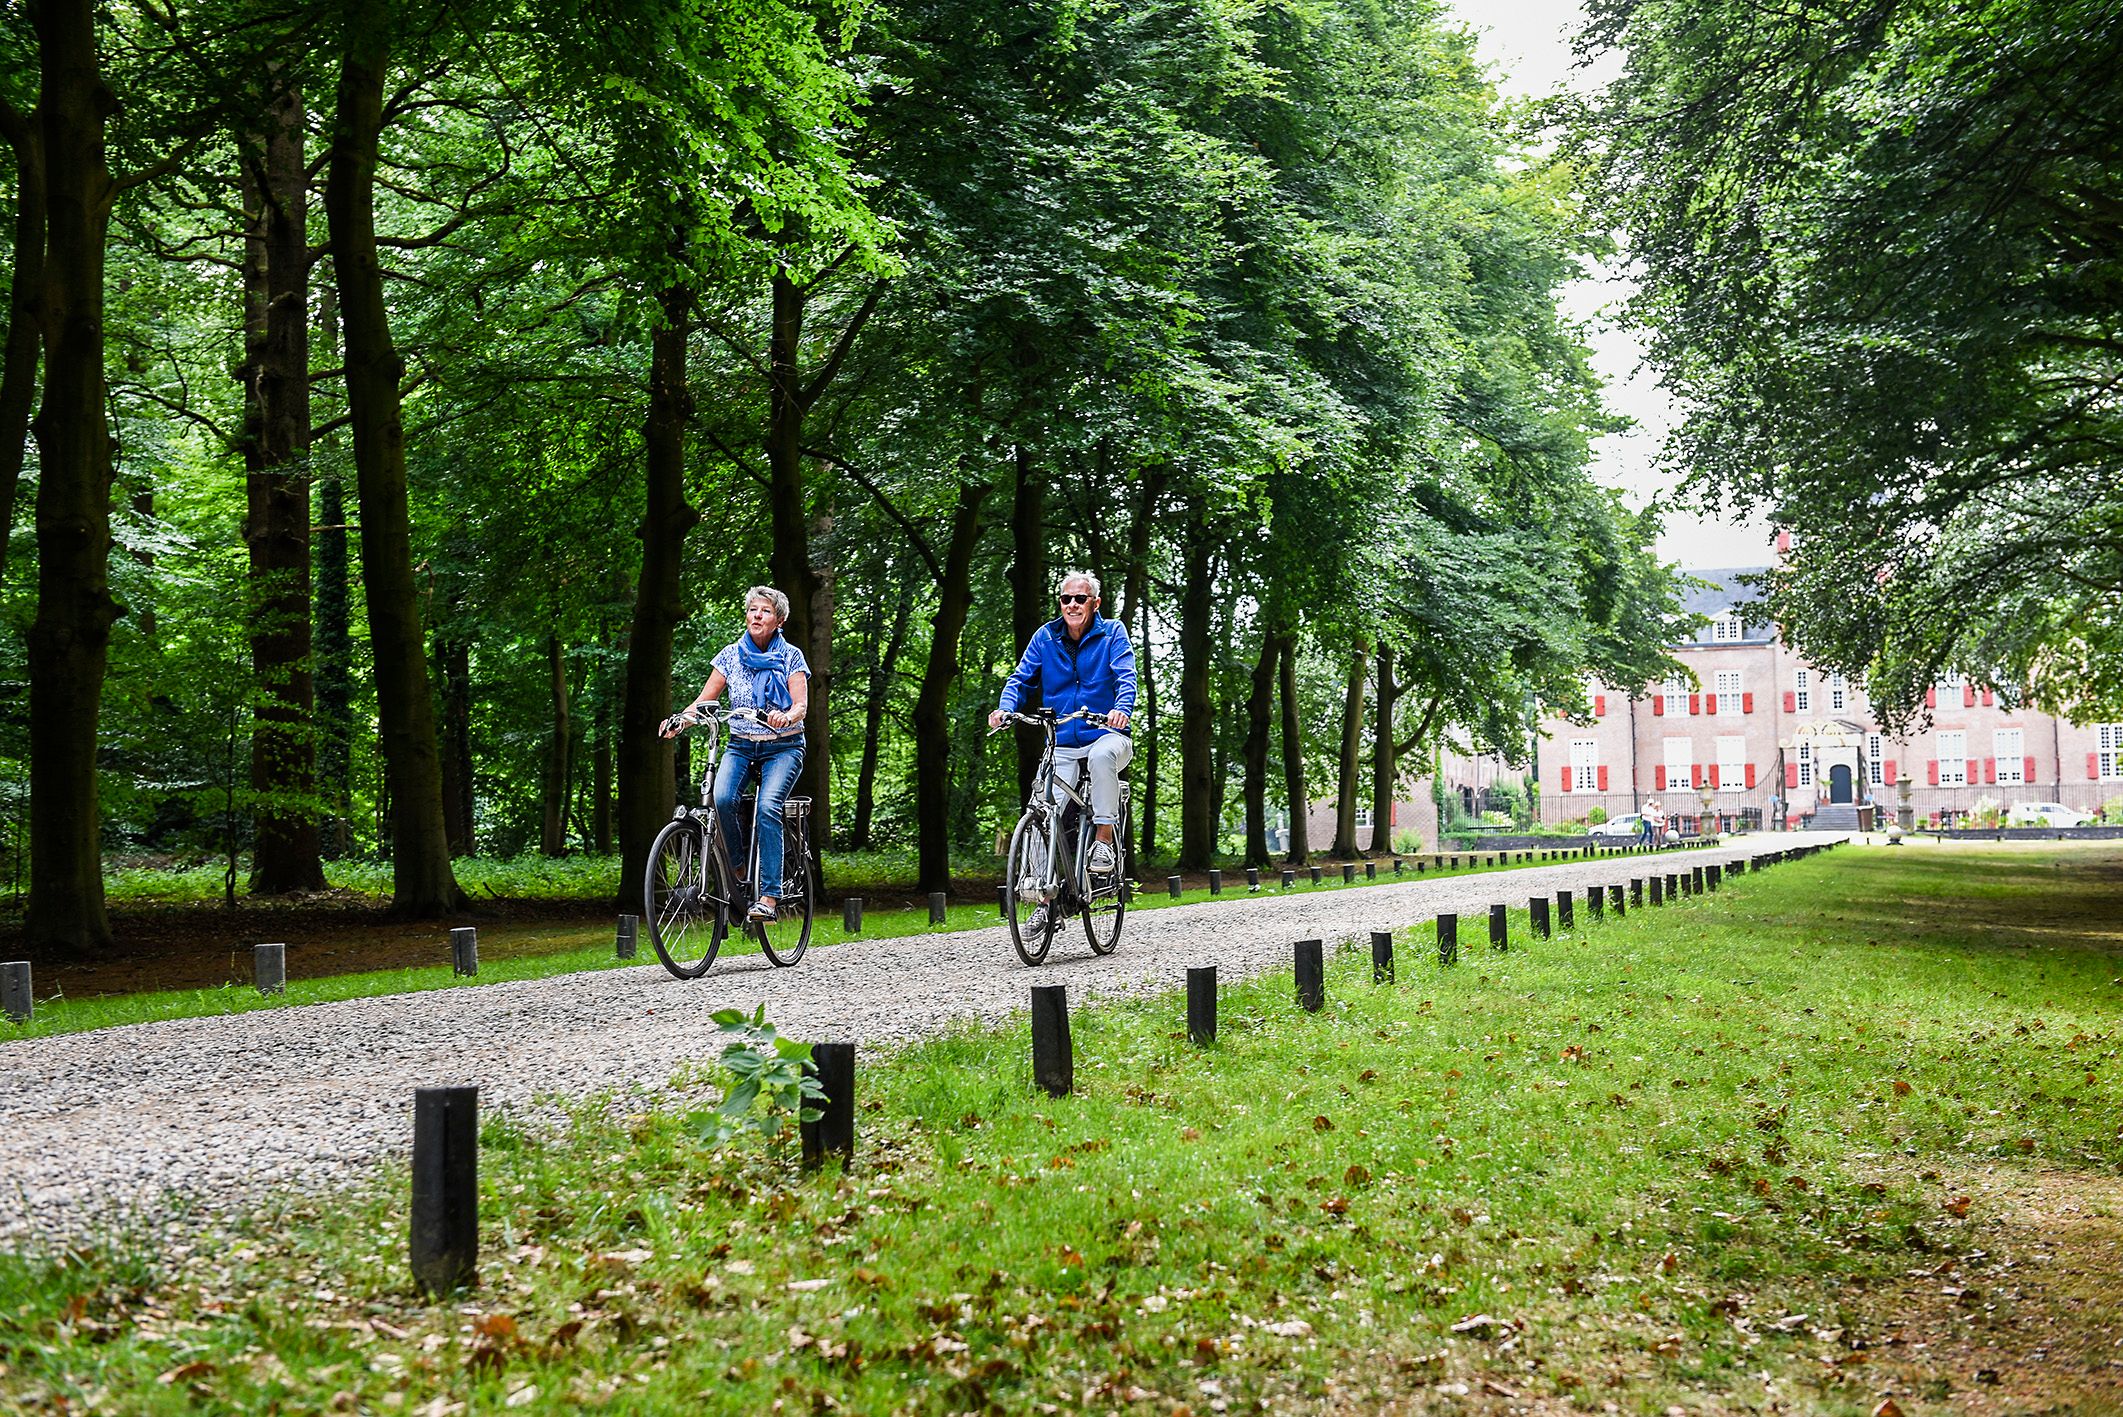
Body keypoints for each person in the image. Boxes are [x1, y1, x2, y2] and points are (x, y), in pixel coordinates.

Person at [988, 571, 1137, 932]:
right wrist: (1005, 708)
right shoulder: (1045, 637)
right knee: (1041, 810)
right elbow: (1021, 679)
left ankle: (1102, 841)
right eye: (1066, 599)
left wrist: (1122, 709)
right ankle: (1045, 900)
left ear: (1095, 603)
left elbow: (1126, 677)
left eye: (1080, 599)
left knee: (1102, 758)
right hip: (1063, 743)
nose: (1072, 604)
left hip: (1107, 734)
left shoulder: (1112, 633)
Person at [663, 586, 809, 922]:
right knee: (722, 798)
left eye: (766, 611)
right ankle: (740, 869)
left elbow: (801, 705)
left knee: (767, 807)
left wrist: (786, 715)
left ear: (779, 620)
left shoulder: (791, 657)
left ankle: (769, 897)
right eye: (753, 610)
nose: (757, 616)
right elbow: (705, 701)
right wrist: (681, 720)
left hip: (783, 746)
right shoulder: (730, 655)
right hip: (741, 744)